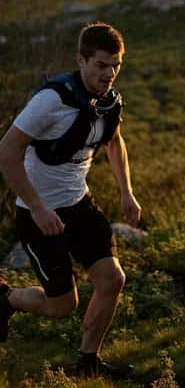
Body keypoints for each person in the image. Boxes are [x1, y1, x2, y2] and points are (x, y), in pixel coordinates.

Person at [0, 22, 140, 379]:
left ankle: (87, 363)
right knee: (62, 306)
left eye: (116, 65)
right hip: (38, 214)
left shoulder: (107, 100)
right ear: (81, 60)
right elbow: (7, 150)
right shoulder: (51, 100)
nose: (110, 73)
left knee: (112, 279)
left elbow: (114, 141)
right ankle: (4, 299)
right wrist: (37, 206)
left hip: (79, 204)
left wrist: (127, 191)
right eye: (101, 65)